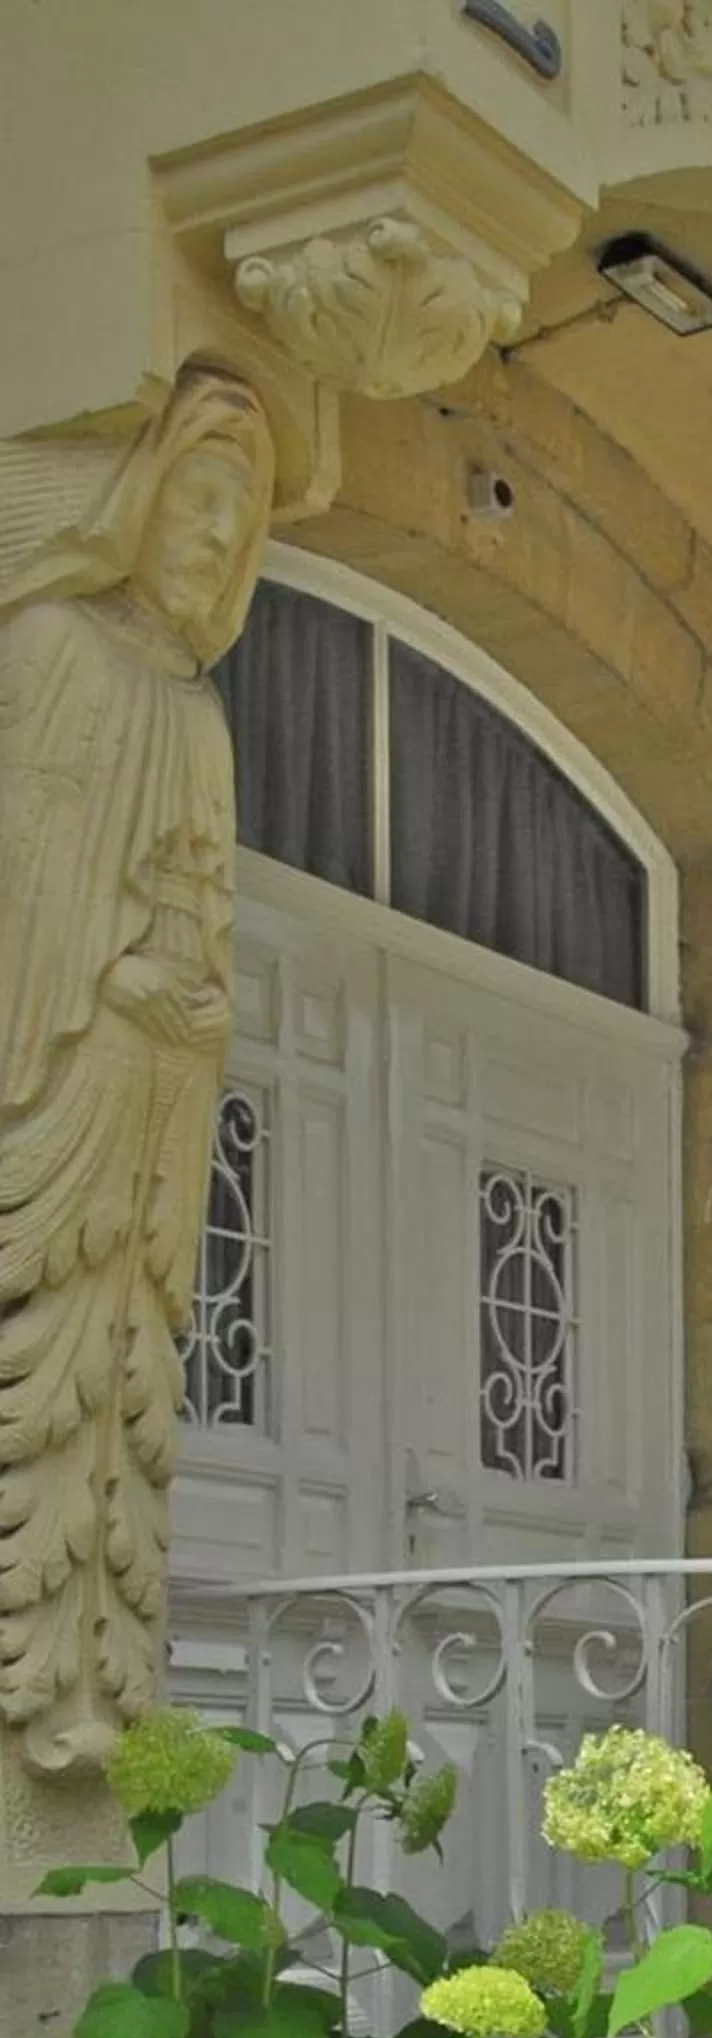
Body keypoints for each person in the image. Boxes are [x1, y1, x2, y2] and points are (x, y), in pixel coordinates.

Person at [0, 366, 274, 1772]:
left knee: (130, 1365)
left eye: (240, 525)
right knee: (49, 1349)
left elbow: (208, 897)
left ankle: (100, 1681)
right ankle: (41, 1681)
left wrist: (194, 985)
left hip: (163, 1078)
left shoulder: (201, 713)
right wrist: (114, 976)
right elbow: (35, 874)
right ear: (139, 496)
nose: (217, 543)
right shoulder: (53, 646)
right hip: (84, 1058)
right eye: (199, 505)